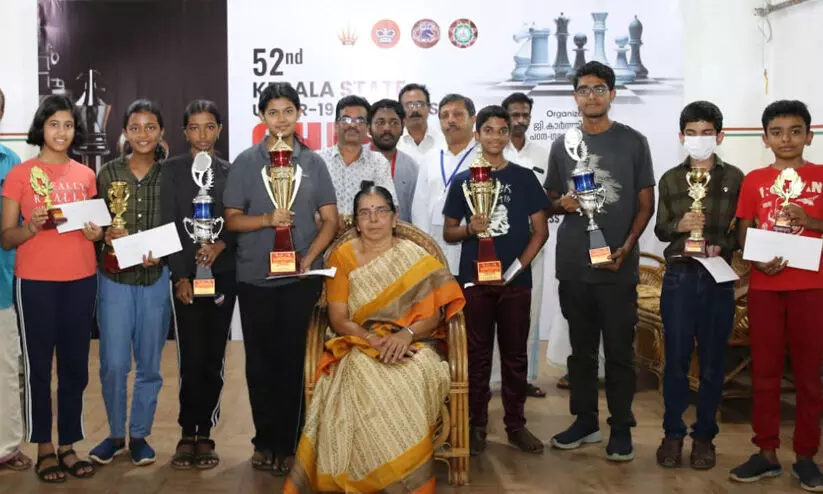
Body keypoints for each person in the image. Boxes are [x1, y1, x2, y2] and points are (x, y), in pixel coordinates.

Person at [284, 183, 465, 494]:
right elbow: (339, 318)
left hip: (415, 342)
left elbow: (434, 316)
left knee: (414, 374)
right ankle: (366, 474)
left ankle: (403, 475)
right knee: (359, 372)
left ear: (394, 217)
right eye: (364, 213)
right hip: (360, 342)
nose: (373, 219)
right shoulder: (341, 257)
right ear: (356, 221)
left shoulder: (416, 256)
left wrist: (406, 335)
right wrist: (371, 339)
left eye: (381, 211)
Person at [224, 82, 337, 475]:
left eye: (288, 110)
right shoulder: (245, 162)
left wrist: (310, 257)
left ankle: (291, 444)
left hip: (298, 281)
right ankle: (265, 440)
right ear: (262, 117)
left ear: (299, 113)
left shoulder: (313, 163)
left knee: (294, 362)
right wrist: (267, 220)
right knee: (259, 363)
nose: (281, 119)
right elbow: (232, 220)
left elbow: (330, 219)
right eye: (273, 112)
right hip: (255, 277)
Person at [545, 61, 655, 462]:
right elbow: (550, 199)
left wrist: (626, 248)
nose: (591, 96)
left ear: (612, 94)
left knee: (621, 353)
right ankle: (585, 421)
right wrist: (562, 202)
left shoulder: (633, 142)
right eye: (584, 89)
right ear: (574, 97)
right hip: (575, 265)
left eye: (599, 89)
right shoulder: (562, 144)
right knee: (581, 352)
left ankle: (621, 426)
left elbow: (646, 205)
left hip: (617, 266)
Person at [1, 94, 101, 482]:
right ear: (41, 127)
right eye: (54, 124)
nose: (62, 132)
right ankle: (43, 446)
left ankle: (68, 444)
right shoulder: (20, 174)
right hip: (35, 283)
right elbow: (6, 238)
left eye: (69, 124)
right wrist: (31, 226)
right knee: (38, 368)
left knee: (75, 367)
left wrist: (96, 234)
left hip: (82, 280)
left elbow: (96, 227)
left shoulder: (86, 175)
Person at [443, 105, 550, 456]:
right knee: (476, 356)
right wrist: (468, 229)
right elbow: (449, 231)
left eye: (502, 130)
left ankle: (516, 425)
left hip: (515, 283)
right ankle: (476, 424)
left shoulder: (524, 178)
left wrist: (515, 270)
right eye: (488, 130)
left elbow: (540, 231)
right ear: (477, 135)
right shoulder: (463, 180)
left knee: (516, 355)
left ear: (508, 134)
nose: (495, 137)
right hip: (475, 282)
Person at [730, 100, 823, 491]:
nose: (787, 139)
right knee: (764, 373)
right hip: (765, 287)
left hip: (811, 287)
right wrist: (755, 258)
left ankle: (806, 456)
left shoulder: (821, 176)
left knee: (808, 377)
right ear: (766, 139)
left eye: (796, 131)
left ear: (809, 136)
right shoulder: (754, 180)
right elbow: (744, 229)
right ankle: (766, 453)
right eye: (778, 132)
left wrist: (810, 219)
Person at [654, 101, 743, 470]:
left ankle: (704, 437)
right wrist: (681, 225)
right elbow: (662, 229)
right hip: (680, 275)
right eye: (692, 133)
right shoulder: (670, 179)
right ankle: (673, 434)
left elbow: (741, 232)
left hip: (717, 276)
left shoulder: (736, 177)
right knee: (675, 360)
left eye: (706, 132)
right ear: (681, 136)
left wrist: (723, 244)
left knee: (712, 362)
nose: (699, 139)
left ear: (719, 136)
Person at [90, 100, 171, 467]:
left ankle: (139, 435)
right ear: (124, 132)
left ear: (161, 132)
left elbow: (180, 226)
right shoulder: (107, 173)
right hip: (115, 279)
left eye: (150, 127)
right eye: (135, 127)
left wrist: (163, 254)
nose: (143, 134)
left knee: (150, 363)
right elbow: (95, 225)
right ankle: (113, 434)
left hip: (155, 278)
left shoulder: (171, 175)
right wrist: (104, 233)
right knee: (113, 363)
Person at [161, 100, 236, 470]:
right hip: (186, 280)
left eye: (209, 126)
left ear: (219, 130)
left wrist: (222, 245)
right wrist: (180, 276)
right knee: (190, 356)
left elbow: (238, 221)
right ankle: (186, 431)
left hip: (222, 277)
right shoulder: (171, 171)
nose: (202, 134)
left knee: (213, 356)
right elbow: (167, 224)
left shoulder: (231, 172)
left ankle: (205, 432)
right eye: (194, 127)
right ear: (184, 132)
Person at [495, 91, 550, 398]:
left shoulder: (542, 154)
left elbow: (550, 197)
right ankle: (492, 378)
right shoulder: (489, 152)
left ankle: (523, 378)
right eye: (514, 115)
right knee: (493, 312)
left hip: (532, 246)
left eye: (524, 115)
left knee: (529, 312)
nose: (520, 120)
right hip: (495, 245)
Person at [411, 94, 479, 274]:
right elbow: (419, 207)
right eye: (444, 116)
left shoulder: (485, 157)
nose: (451, 120)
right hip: (435, 248)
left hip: (473, 245)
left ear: (473, 119)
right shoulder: (431, 157)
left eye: (458, 114)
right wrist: (425, 247)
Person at [0, 87, 31, 474]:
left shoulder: (12, 163)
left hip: (2, 284)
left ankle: (6, 447)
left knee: (6, 369)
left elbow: (19, 226)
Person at [318, 95, 397, 231]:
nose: (352, 125)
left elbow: (390, 207)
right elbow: (306, 207)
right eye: (346, 119)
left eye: (359, 120)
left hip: (366, 239)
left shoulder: (378, 163)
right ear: (336, 126)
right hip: (322, 237)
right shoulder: (318, 160)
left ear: (367, 128)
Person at [367, 98, 419, 223]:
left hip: (401, 233)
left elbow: (417, 214)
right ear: (369, 128)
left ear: (402, 128)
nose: (387, 128)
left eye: (394, 123)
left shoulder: (412, 167)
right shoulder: (357, 159)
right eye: (380, 122)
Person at [396, 83, 443, 163]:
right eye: (409, 105)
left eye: (420, 104)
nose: (415, 110)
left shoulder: (443, 140)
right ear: (400, 110)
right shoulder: (394, 143)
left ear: (429, 108)